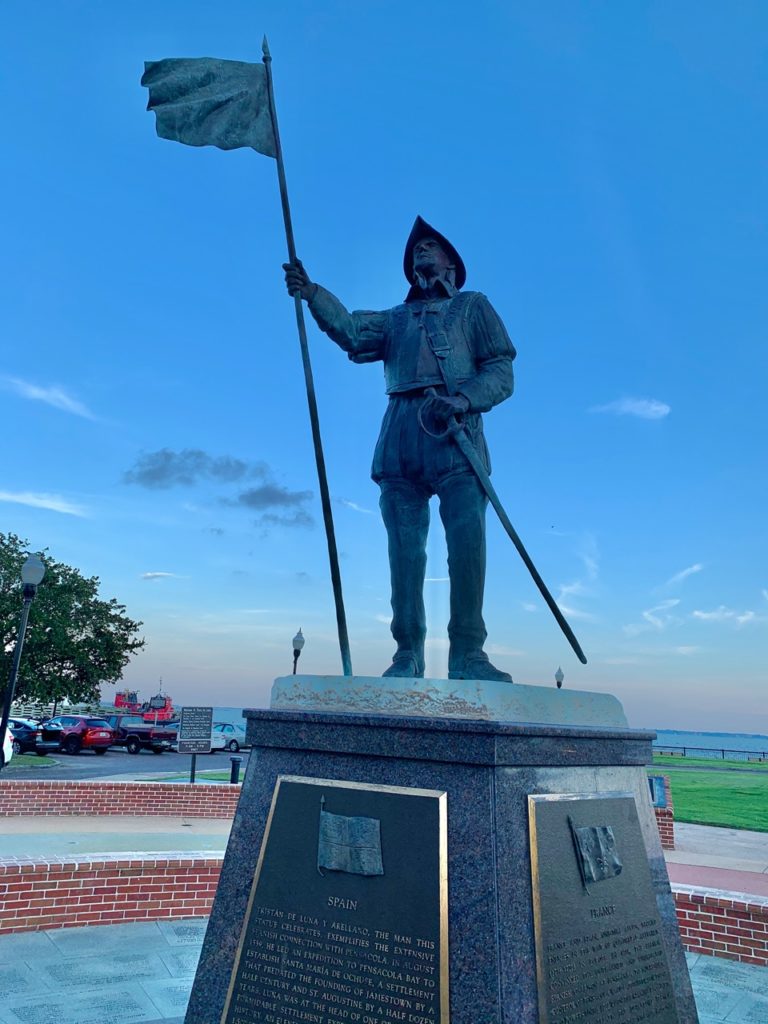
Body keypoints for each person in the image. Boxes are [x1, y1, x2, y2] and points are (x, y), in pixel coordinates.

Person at [284, 216, 516, 682]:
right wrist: (313, 293)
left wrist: (464, 399)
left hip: (456, 431)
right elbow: (351, 330)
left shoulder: (473, 308)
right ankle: (407, 651)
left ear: (452, 263)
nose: (420, 252)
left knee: (467, 548)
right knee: (405, 552)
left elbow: (501, 369)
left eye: (431, 246)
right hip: (400, 433)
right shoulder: (395, 318)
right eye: (415, 250)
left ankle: (469, 653)